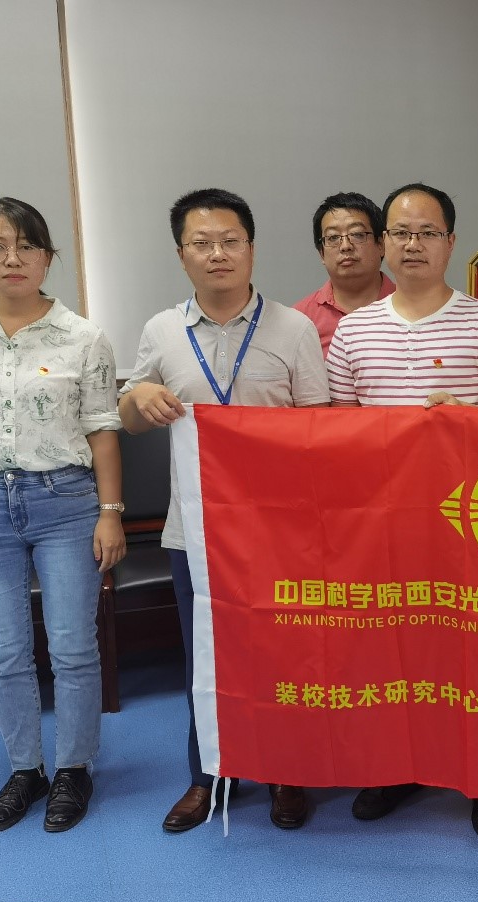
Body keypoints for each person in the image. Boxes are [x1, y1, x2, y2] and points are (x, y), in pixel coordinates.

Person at [119, 187, 329, 833]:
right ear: (182, 254)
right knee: (204, 659)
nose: (218, 254)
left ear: (252, 249)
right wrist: (141, 395)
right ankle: (208, 775)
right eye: (202, 243)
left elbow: (319, 428)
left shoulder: (294, 329)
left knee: (283, 655)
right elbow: (128, 416)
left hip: (277, 533)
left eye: (230, 241)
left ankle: (287, 772)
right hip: (196, 532)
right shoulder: (162, 331)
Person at [326, 182, 478, 839]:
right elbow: (340, 433)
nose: (414, 244)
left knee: (477, 652)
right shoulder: (353, 331)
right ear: (383, 242)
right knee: (392, 650)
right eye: (401, 232)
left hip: (468, 521)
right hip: (385, 525)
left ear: (451, 243)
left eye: (428, 232)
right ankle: (396, 768)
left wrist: (469, 421)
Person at [0, 197, 125, 834]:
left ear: (48, 257)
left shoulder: (83, 336)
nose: (13, 258)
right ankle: (24, 769)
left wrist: (111, 513)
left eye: (27, 246)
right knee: (4, 652)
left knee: (72, 646)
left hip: (66, 504)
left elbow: (102, 429)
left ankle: (74, 768)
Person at [293, 191, 395, 355]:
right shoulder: (300, 320)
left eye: (357, 235)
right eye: (333, 238)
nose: (345, 246)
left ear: (381, 245)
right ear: (321, 253)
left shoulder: (412, 306)